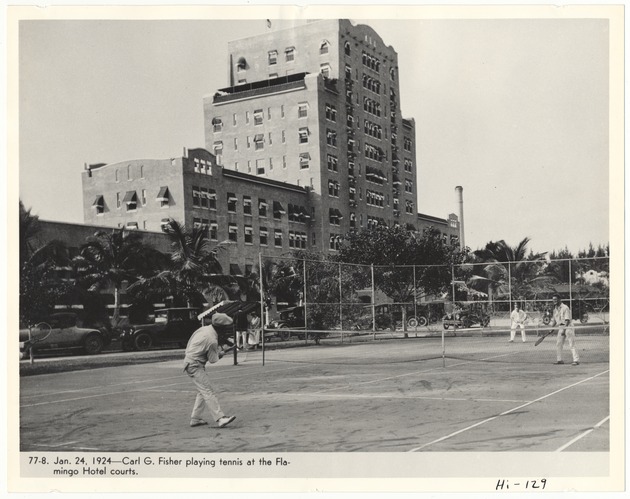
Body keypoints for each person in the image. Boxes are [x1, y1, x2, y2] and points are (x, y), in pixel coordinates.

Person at [183, 312, 236, 428]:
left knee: (203, 390)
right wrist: (224, 352)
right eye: (225, 328)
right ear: (220, 328)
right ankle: (220, 418)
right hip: (195, 365)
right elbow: (213, 359)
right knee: (208, 391)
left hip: (190, 361)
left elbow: (191, 341)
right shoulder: (212, 340)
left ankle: (195, 418)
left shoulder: (204, 329)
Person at [549, 294, 580, 366]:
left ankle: (576, 360)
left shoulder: (565, 307)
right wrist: (551, 329)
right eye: (553, 300)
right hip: (561, 327)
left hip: (568, 327)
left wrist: (563, 330)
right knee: (558, 344)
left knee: (571, 344)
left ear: (560, 300)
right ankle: (559, 360)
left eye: (556, 299)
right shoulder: (555, 309)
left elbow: (567, 320)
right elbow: (554, 321)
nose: (554, 301)